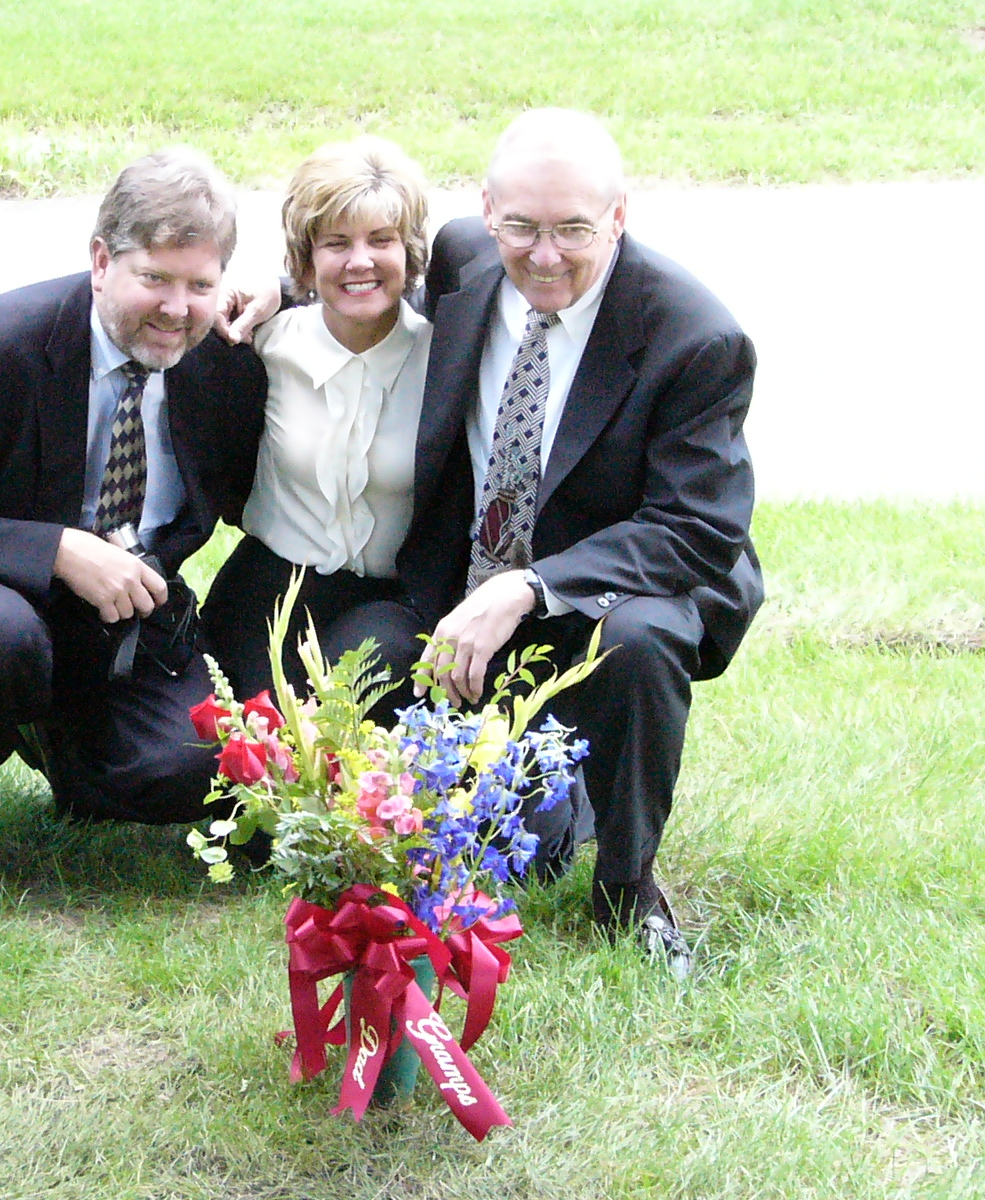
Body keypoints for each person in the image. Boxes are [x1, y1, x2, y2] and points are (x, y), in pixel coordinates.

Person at [222, 110, 763, 976]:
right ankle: (458, 808)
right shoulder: (467, 258)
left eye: (573, 230)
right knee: (376, 677)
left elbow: (698, 526)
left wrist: (530, 587)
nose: (544, 255)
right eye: (522, 227)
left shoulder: (694, 336)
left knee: (636, 648)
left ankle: (628, 889)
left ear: (618, 217)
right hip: (465, 584)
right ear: (486, 211)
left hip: (620, 588)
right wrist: (274, 291)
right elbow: (363, 277)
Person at [0, 148, 267, 915]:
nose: (178, 309)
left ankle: (59, 741)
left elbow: (367, 288)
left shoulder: (222, 364)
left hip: (122, 618)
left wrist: (291, 293)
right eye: (155, 279)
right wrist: (56, 551)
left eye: (200, 285)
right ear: (102, 261)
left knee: (190, 772)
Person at [200, 137, 432, 720]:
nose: (361, 261)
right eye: (337, 243)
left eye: (382, 240)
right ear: (304, 260)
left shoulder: (447, 359)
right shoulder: (264, 344)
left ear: (410, 253)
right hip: (267, 589)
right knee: (240, 744)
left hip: (390, 604)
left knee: (332, 728)